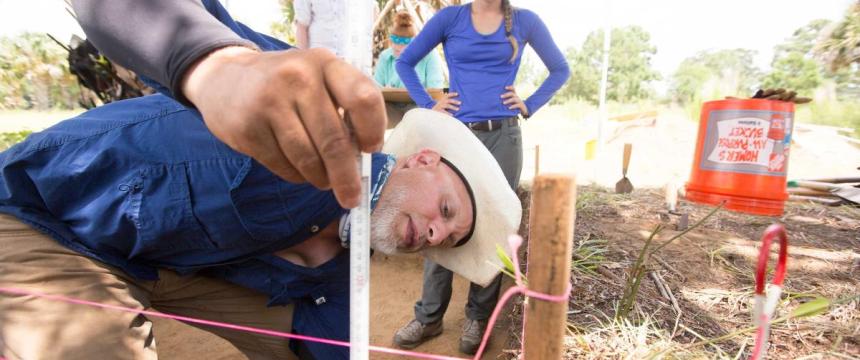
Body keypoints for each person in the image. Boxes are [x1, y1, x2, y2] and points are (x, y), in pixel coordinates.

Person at [0, 94, 521, 359]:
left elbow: (334, 344)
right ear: (422, 160)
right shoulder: (288, 145)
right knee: (97, 344)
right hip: (46, 225)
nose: (434, 235)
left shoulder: (346, 256)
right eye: (446, 212)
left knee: (300, 339)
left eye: (445, 239)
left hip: (158, 264)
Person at [70, 0, 385, 211]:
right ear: (423, 159)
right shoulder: (267, 78)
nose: (435, 234)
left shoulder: (333, 276)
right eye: (439, 206)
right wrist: (213, 65)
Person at [393, 0, 570, 355]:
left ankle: (478, 317)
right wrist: (428, 105)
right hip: (455, 136)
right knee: (437, 217)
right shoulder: (449, 18)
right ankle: (429, 316)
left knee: (496, 227)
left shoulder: (525, 21)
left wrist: (529, 103)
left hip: (503, 137)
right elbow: (404, 61)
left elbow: (560, 70)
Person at [374, 10, 446, 128]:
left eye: (403, 42)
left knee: (418, 120)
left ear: (414, 42)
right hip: (391, 107)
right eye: (394, 40)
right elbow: (376, 86)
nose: (397, 46)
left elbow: (435, 90)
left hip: (420, 106)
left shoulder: (429, 56)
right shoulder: (385, 56)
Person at [293, 0, 377, 58]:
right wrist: (303, 60)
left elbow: (372, 11)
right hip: (318, 61)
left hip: (349, 60)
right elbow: (302, 25)